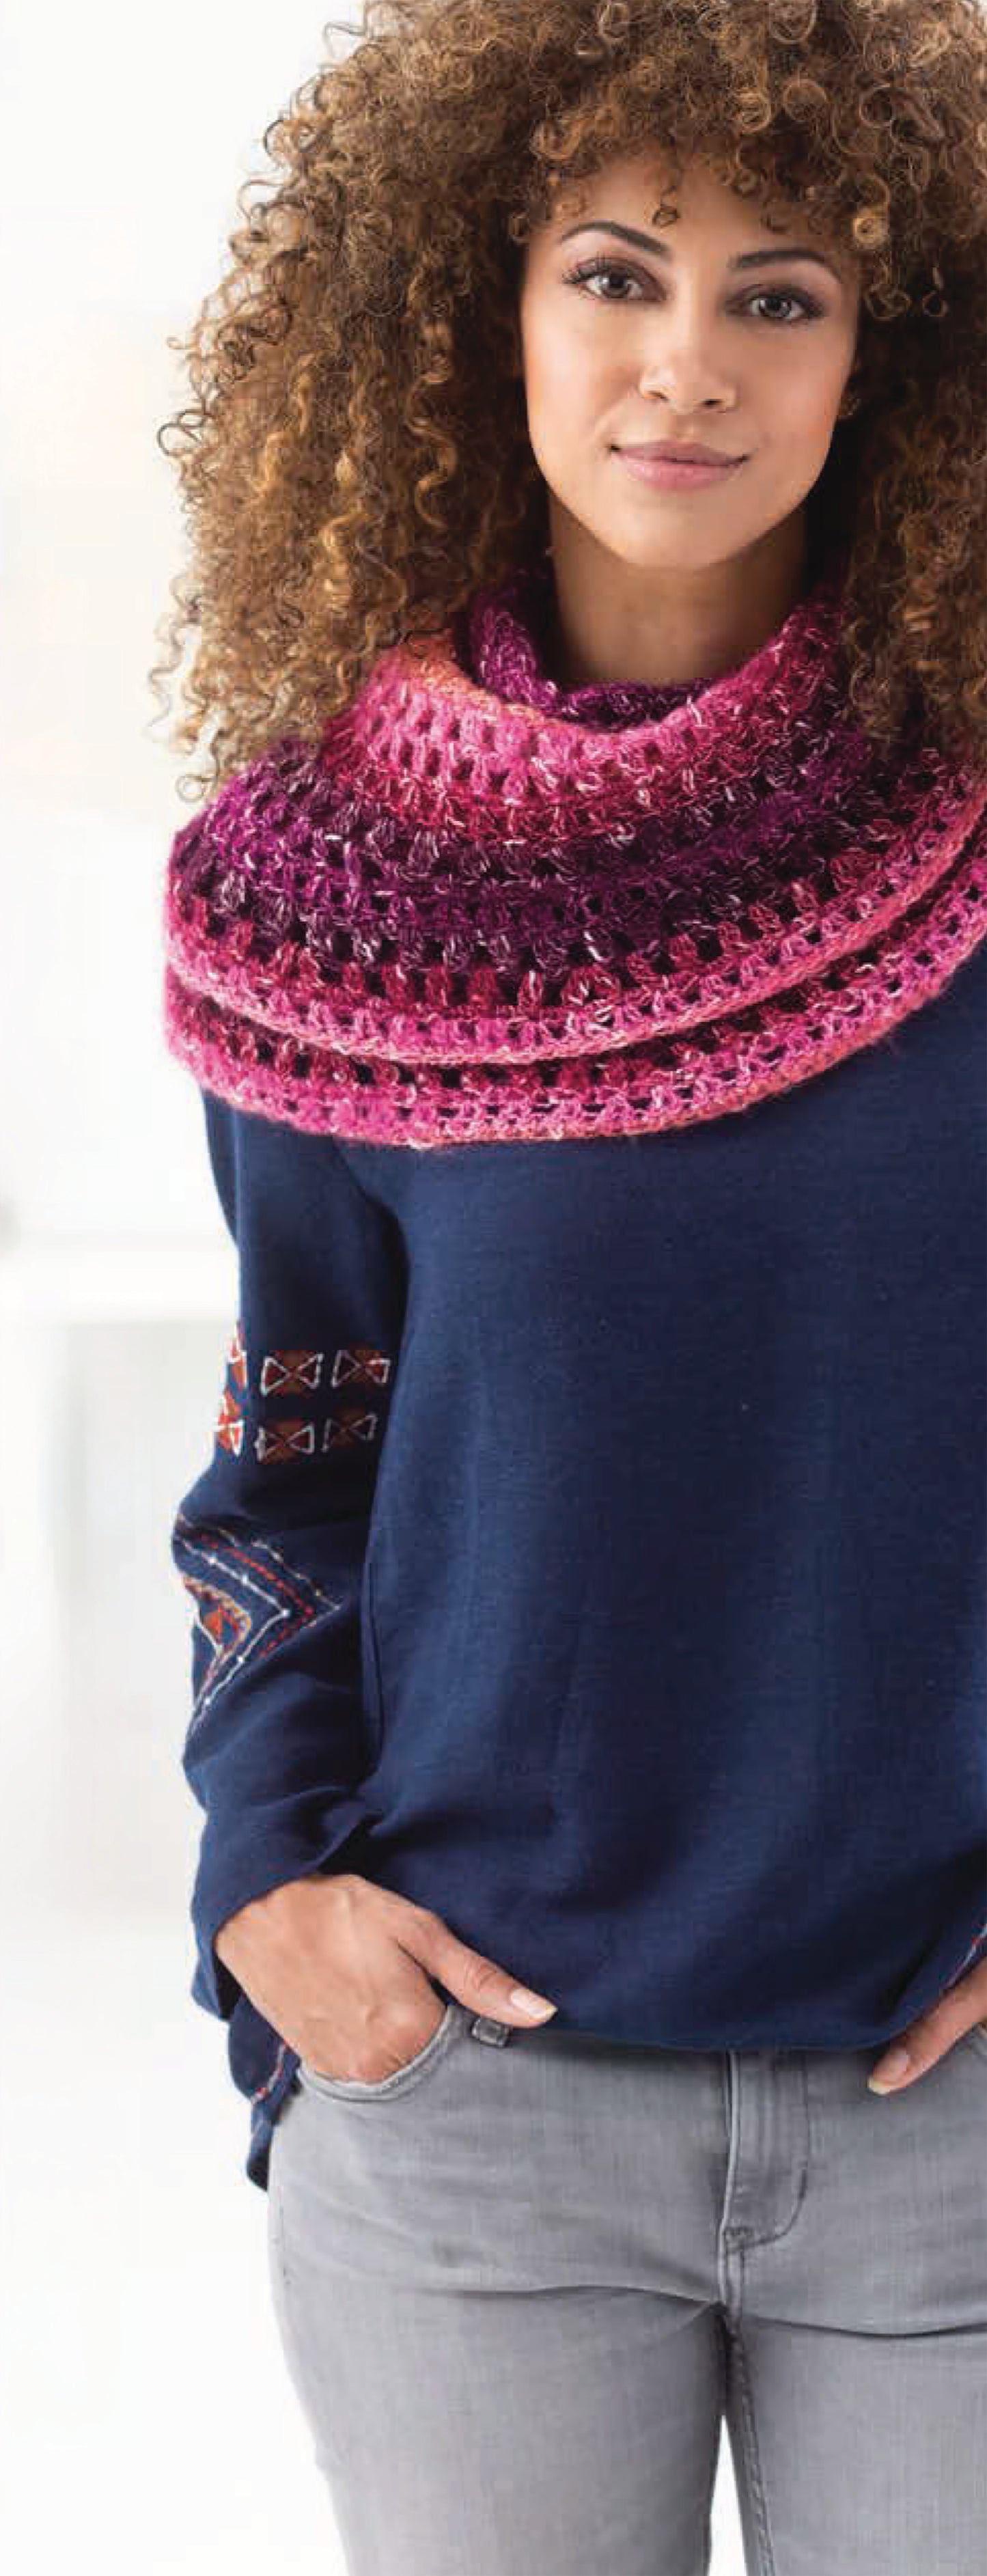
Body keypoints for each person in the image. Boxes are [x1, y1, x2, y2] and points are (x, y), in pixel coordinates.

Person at [156, 2, 987, 2568]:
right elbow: (301, 1450)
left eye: (783, 294)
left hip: (946, 2124)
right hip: (477, 2112)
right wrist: (268, 1895)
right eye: (616, 273)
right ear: (477, 313)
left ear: (888, 359)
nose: (684, 364)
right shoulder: (315, 895)